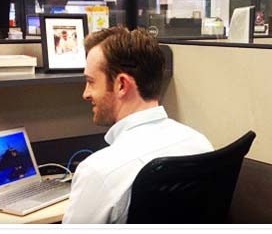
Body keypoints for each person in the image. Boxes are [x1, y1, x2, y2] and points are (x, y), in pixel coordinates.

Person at [62, 26, 213, 224]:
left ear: (121, 85)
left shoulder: (98, 172)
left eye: (91, 82)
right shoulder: (199, 144)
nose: (86, 93)